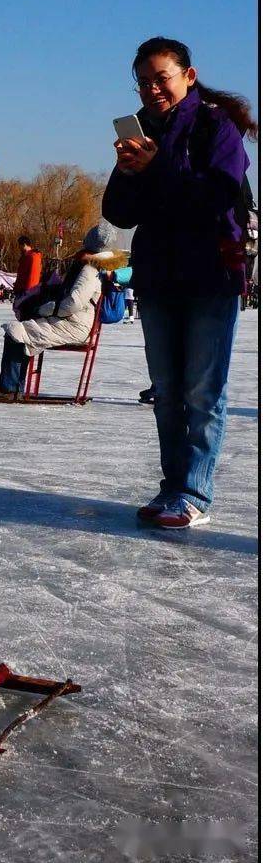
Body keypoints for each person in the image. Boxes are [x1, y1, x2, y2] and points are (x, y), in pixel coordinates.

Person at [103, 36, 256, 528]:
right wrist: (130, 172)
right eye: (143, 81)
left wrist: (158, 166)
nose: (152, 89)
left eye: (161, 78)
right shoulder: (142, 130)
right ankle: (172, 486)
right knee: (167, 389)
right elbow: (117, 211)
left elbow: (219, 194)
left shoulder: (216, 125)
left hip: (211, 271)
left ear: (188, 76)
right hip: (159, 273)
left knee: (202, 390)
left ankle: (195, 492)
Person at [0, 222, 123, 397]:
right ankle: (12, 385)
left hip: (74, 326)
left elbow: (73, 302)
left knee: (16, 332)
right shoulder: (97, 265)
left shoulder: (90, 268)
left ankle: (9, 387)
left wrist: (45, 310)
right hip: (74, 322)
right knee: (21, 329)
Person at [13, 235, 43, 306]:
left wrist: (28, 291)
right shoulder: (27, 256)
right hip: (23, 289)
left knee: (25, 313)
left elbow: (33, 275)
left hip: (27, 291)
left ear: (24, 244)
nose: (18, 248)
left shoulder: (33, 257)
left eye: (19, 245)